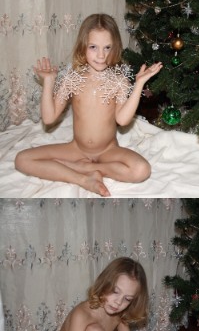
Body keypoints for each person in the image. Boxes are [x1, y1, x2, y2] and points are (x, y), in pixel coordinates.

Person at [14, 13, 162, 197]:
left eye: (107, 47)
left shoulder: (119, 81)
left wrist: (139, 84)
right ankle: (83, 179)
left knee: (142, 170)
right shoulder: (72, 78)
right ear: (83, 46)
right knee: (22, 160)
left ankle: (87, 168)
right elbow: (49, 118)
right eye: (93, 47)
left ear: (115, 48)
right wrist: (49, 82)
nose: (101, 55)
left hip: (108, 151)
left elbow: (123, 120)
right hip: (76, 149)